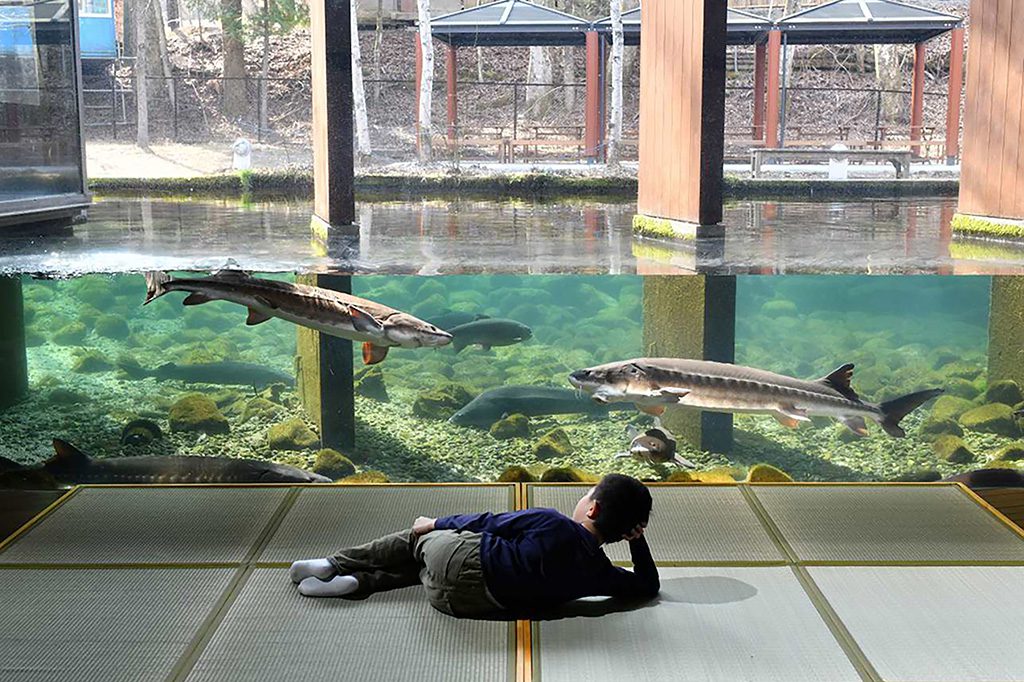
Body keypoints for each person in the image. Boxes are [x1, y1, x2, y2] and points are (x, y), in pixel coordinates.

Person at [289, 473, 659, 618]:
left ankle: (334, 564)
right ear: (629, 530)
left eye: (586, 495)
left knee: (418, 543)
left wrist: (433, 523)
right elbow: (648, 586)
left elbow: (487, 522)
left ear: (591, 508)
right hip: (459, 603)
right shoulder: (600, 575)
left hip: (460, 562)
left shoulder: (553, 522)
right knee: (425, 570)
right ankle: (361, 583)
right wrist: (637, 542)